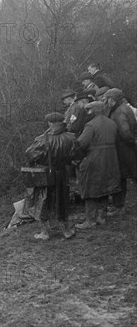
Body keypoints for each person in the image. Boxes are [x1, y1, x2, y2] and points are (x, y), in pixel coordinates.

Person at [25, 113, 78, 240]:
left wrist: (35, 163)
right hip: (62, 173)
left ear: (50, 123)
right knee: (62, 201)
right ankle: (66, 231)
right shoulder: (71, 137)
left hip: (46, 174)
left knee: (43, 202)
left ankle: (45, 232)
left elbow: (29, 153)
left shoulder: (43, 139)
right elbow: (76, 156)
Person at [75, 101, 121, 229]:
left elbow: (81, 143)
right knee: (105, 186)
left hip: (94, 158)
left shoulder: (90, 125)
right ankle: (102, 217)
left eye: (88, 110)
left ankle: (90, 220)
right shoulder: (111, 122)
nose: (87, 113)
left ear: (93, 111)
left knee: (90, 187)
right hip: (111, 158)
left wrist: (76, 156)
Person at [103, 88, 137, 216]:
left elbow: (125, 132)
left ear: (112, 100)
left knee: (119, 177)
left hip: (122, 150)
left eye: (107, 99)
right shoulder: (123, 107)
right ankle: (119, 205)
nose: (106, 102)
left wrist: (131, 142)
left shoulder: (118, 112)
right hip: (127, 148)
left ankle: (119, 206)